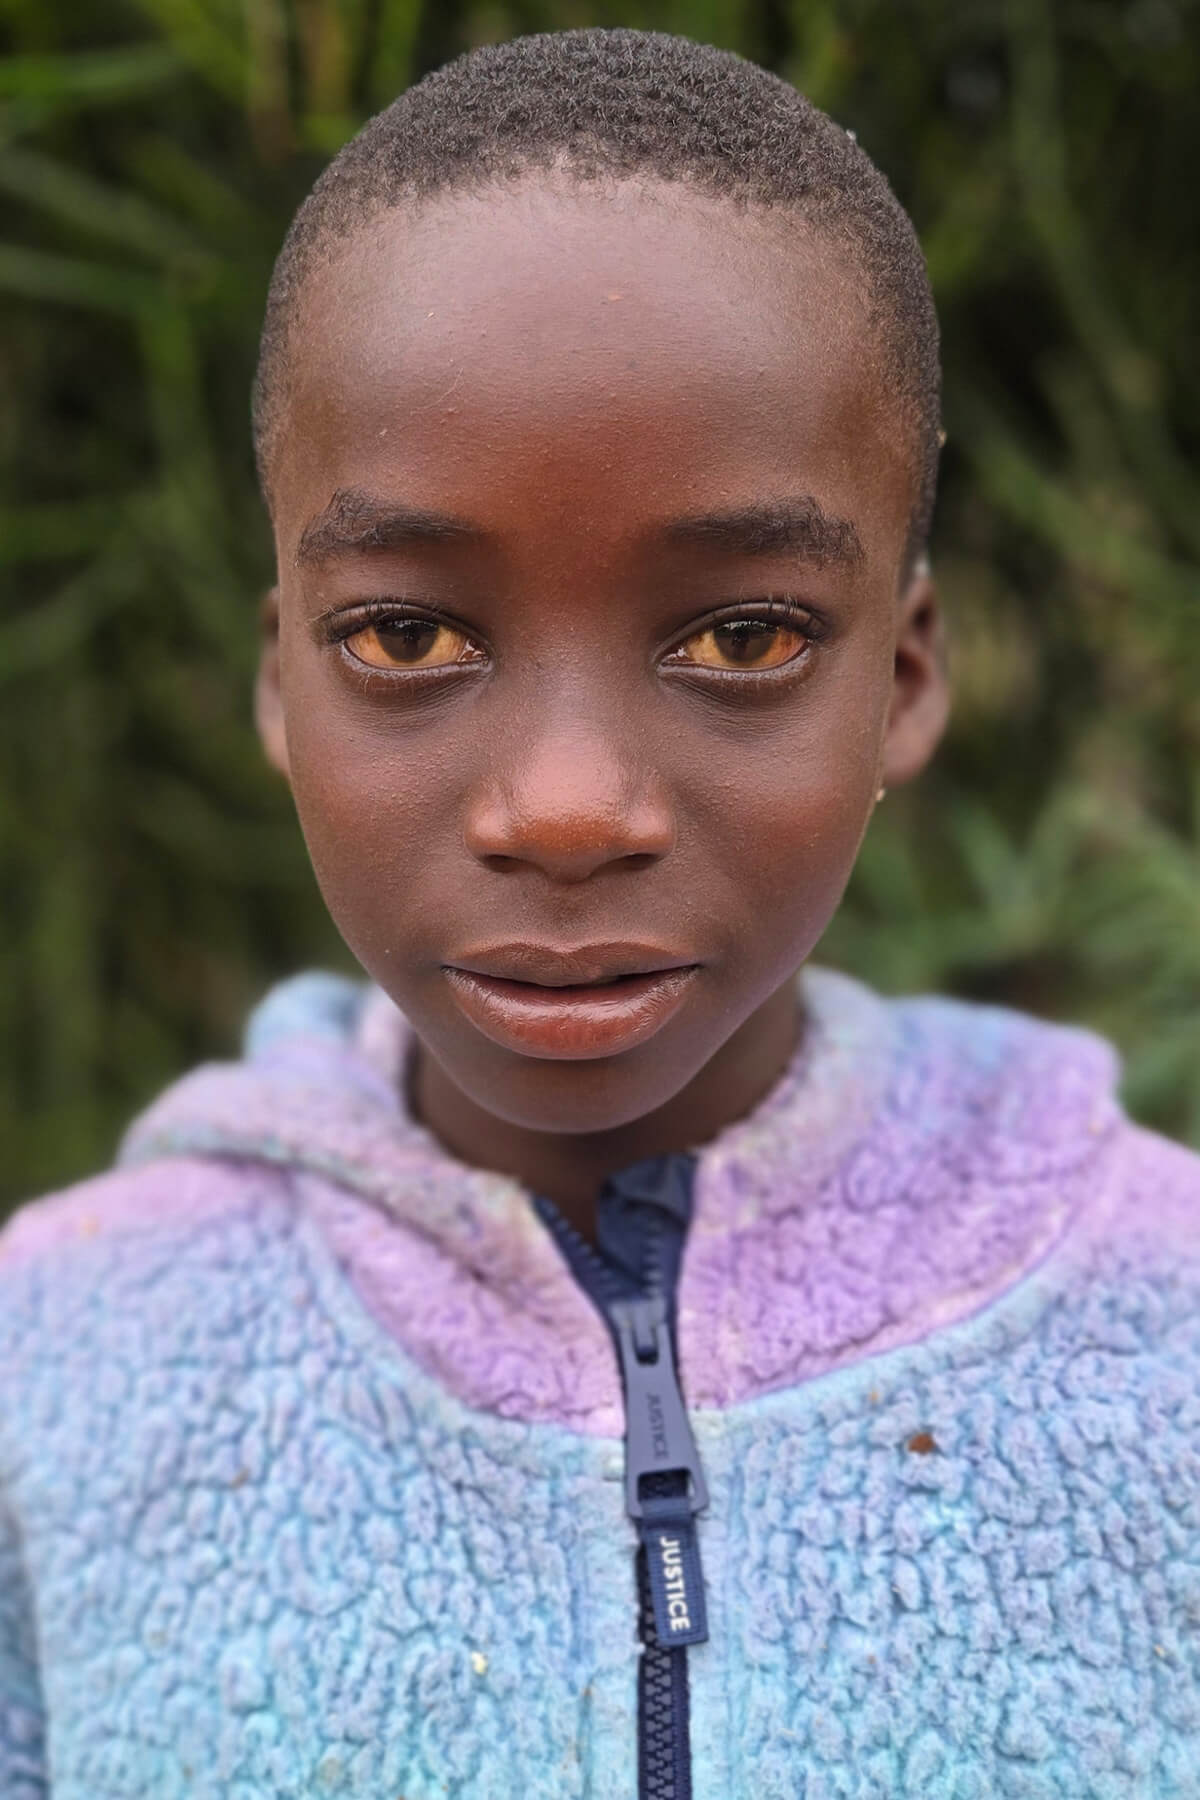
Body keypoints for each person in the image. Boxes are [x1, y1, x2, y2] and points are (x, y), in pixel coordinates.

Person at [1, 26, 1197, 1798]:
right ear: (281, 682)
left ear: (904, 674)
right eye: (407, 634)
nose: (565, 807)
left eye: (743, 636)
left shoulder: (1165, 1331)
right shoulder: (61, 1372)